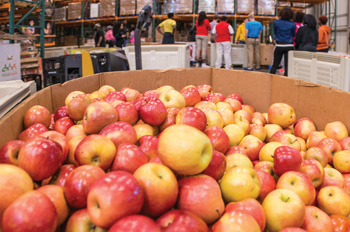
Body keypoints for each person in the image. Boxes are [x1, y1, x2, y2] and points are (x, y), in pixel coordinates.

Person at [269, 7, 295, 77]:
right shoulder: (292, 24)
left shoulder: (276, 22)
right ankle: (286, 80)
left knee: (275, 64)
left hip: (279, 45)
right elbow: (293, 34)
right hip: (289, 45)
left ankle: (270, 79)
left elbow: (274, 32)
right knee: (287, 65)